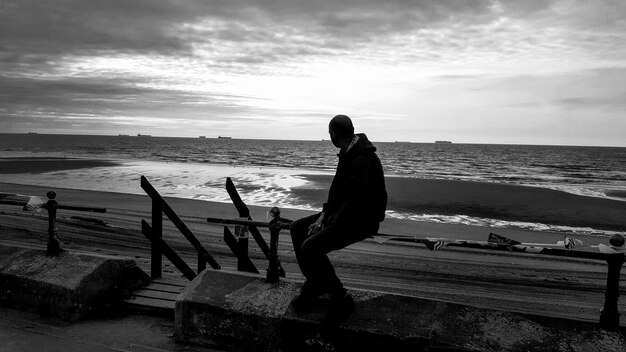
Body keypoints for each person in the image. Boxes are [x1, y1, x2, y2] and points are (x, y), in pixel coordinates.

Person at [290, 114, 387, 324]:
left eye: (329, 133)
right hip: (343, 212)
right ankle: (314, 284)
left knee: (310, 247)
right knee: (297, 228)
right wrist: (323, 215)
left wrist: (326, 225)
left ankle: (341, 298)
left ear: (333, 134)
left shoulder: (362, 159)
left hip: (362, 219)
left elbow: (354, 203)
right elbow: (336, 193)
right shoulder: (347, 152)